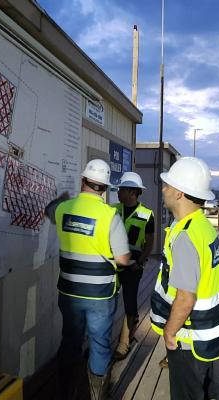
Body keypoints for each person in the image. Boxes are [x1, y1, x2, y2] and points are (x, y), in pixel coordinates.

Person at [45, 159, 132, 400]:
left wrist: (62, 197)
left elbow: (48, 210)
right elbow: (123, 259)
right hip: (100, 296)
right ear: (104, 188)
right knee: (99, 343)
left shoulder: (64, 209)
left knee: (70, 341)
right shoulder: (110, 216)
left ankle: (65, 392)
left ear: (83, 181)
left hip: (69, 293)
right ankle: (96, 395)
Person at [150, 157, 219, 400]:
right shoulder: (203, 227)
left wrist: (169, 332)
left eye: (168, 185)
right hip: (212, 334)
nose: (163, 189)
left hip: (190, 339)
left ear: (179, 194)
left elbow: (186, 297)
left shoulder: (186, 236)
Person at [111, 171, 155, 360]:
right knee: (108, 301)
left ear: (132, 192)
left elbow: (149, 242)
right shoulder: (112, 210)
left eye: (121, 189)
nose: (118, 192)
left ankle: (124, 343)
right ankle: (102, 342)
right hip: (113, 263)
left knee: (129, 301)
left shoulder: (147, 215)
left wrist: (140, 262)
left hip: (133, 265)